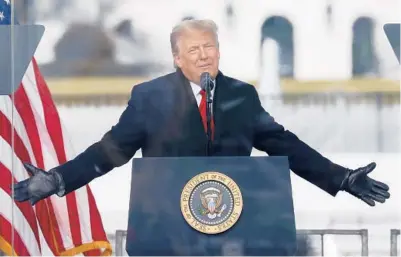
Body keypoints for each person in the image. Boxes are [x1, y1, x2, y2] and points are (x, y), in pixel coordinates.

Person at [13, 19, 389, 207]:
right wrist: (58, 179)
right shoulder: (150, 97)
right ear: (177, 58)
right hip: (167, 225)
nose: (204, 55)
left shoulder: (242, 96)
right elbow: (110, 151)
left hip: (235, 224)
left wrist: (340, 178)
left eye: (209, 47)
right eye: (193, 50)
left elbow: (284, 145)